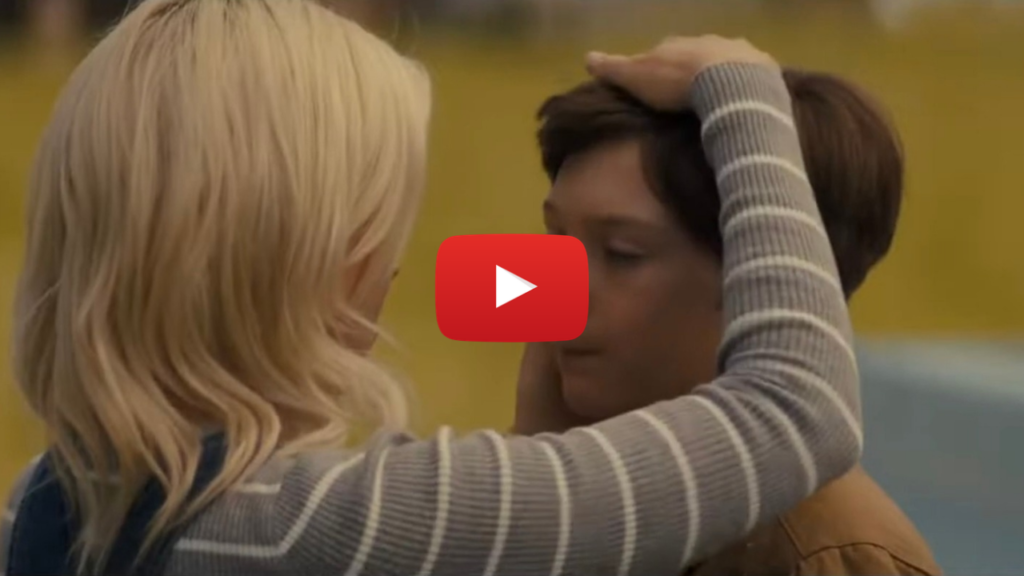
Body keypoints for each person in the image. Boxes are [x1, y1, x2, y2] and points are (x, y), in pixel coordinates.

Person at [1, 1, 861, 575]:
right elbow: (796, 408)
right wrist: (744, 91)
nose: (395, 273)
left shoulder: (39, 512)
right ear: (321, 267)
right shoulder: (337, 525)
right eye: (380, 234)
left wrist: (534, 445)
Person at [517, 68, 940, 574]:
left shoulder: (821, 557)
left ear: (767, 284)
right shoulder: (577, 491)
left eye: (622, 253)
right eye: (557, 240)